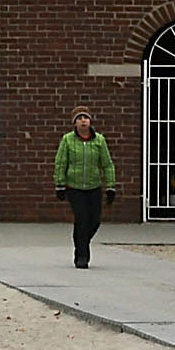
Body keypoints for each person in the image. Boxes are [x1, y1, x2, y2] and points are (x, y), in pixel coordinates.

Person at [52, 107, 115, 267]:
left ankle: (82, 243)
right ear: (75, 122)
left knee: (94, 220)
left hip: (93, 185)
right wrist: (60, 184)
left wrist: (110, 186)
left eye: (85, 117)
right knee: (82, 218)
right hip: (74, 186)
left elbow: (107, 164)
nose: (83, 121)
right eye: (79, 118)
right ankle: (82, 255)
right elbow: (61, 163)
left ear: (90, 121)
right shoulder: (67, 140)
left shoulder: (99, 140)